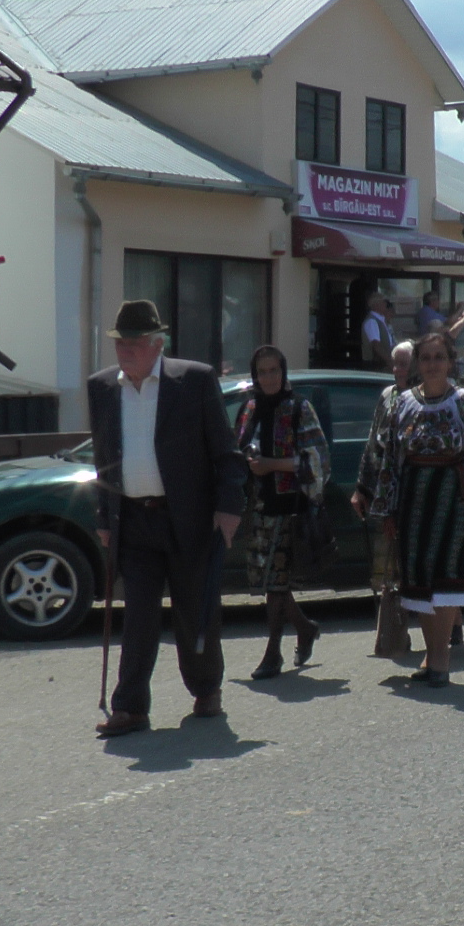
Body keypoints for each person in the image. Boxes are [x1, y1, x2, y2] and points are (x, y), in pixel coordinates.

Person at [87, 300, 245, 738]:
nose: (126, 352)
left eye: (135, 344)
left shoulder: (192, 381)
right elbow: (103, 460)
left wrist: (229, 507)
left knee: (194, 609)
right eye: (121, 344)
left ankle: (206, 688)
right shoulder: (102, 387)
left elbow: (226, 453)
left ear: (158, 344)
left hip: (188, 518)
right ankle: (130, 706)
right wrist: (103, 515)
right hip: (133, 520)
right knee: (137, 615)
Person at [359, 331, 464, 687]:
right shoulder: (402, 405)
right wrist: (387, 509)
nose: (433, 364)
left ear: (451, 362)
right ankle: (431, 653)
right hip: (412, 502)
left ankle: (441, 656)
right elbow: (389, 459)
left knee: (447, 577)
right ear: (417, 365)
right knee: (419, 580)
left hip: (455, 501)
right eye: (426, 358)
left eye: (439, 357)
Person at [234, 344, 329, 681]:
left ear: (283, 372)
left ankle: (272, 653)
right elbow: (236, 450)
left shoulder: (299, 408)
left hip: (289, 508)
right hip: (257, 508)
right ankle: (305, 628)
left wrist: (272, 465)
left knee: (275, 583)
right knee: (268, 580)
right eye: (262, 372)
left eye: (274, 370)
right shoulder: (248, 409)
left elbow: (318, 460)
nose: (269, 377)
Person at [354, 339, 416, 656]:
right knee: (389, 571)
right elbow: (371, 446)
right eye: (394, 364)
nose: (397, 370)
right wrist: (362, 489)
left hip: (416, 495)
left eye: (403, 364)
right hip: (386, 495)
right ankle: (395, 633)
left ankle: (452, 625)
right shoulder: (387, 397)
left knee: (417, 568)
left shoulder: (427, 397)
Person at [360, 292, 394, 368]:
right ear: (376, 304)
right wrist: (389, 361)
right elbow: (376, 345)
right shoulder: (372, 321)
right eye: (384, 302)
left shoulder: (381, 320)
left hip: (383, 364)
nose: (386, 304)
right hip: (376, 365)